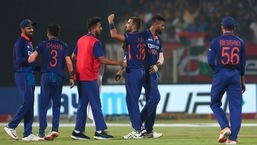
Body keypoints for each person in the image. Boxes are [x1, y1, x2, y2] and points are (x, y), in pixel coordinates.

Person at [70, 16, 126, 140]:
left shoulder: (80, 40)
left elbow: (74, 56)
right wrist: (118, 62)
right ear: (94, 27)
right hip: (89, 76)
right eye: (100, 26)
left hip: (79, 76)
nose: (101, 29)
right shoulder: (95, 42)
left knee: (82, 104)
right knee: (96, 103)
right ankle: (100, 131)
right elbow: (101, 59)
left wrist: (84, 59)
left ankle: (77, 131)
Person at [28, 23, 75, 140]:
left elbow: (32, 58)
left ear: (48, 33)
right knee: (56, 105)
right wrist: (71, 77)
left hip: (46, 75)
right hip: (58, 76)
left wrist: (33, 65)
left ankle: (41, 131)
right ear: (58, 34)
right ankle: (54, 129)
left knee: (43, 105)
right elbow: (69, 62)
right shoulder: (63, 46)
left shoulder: (43, 44)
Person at [207, 16, 246, 145]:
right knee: (235, 108)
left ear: (222, 27)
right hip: (235, 75)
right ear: (234, 28)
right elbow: (243, 64)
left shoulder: (216, 41)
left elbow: (210, 61)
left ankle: (224, 127)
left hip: (221, 73)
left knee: (214, 102)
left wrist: (217, 71)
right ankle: (233, 139)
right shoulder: (240, 42)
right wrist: (242, 80)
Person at [108, 14, 146, 139]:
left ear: (134, 26)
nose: (126, 24)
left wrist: (111, 22)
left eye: (128, 23)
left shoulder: (131, 37)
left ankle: (137, 130)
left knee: (131, 101)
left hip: (133, 72)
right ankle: (139, 127)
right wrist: (121, 70)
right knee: (133, 100)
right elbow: (130, 55)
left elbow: (113, 35)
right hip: (141, 71)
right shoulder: (141, 37)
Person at [4, 19, 41, 141]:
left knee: (30, 104)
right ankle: (11, 126)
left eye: (32, 27)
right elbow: (19, 60)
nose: (31, 29)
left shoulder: (29, 43)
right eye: (28, 27)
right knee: (27, 102)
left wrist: (40, 68)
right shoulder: (20, 42)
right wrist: (30, 59)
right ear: (22, 29)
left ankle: (28, 133)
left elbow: (29, 62)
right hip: (22, 74)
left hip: (29, 74)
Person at [139, 15, 165, 139]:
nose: (163, 28)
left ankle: (148, 130)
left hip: (153, 72)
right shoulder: (144, 35)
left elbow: (161, 57)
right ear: (155, 23)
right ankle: (138, 122)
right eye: (162, 25)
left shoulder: (159, 40)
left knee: (152, 99)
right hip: (144, 71)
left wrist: (157, 65)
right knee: (155, 98)